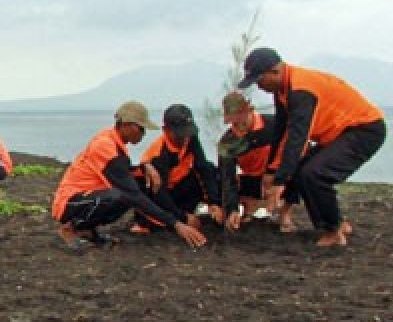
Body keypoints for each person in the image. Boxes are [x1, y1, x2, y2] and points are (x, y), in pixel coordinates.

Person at [239, 47, 387, 246]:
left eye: (259, 80)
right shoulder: (283, 89)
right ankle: (337, 223)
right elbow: (281, 132)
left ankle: (333, 232)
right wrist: (271, 171)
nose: (258, 86)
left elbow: (297, 139)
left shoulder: (301, 91)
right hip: (339, 133)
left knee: (315, 173)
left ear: (275, 71)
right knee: (300, 172)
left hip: (364, 129)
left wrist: (280, 181)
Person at [51, 101, 208, 251]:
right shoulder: (105, 146)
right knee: (119, 196)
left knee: (140, 184)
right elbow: (131, 191)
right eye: (141, 128)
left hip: (89, 197)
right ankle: (70, 229)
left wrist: (145, 167)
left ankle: (87, 230)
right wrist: (176, 223)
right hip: (70, 203)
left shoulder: (116, 144)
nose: (143, 134)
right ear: (127, 125)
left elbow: (124, 174)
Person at [129, 104, 219, 233]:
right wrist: (183, 218)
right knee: (158, 217)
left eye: (187, 132)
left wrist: (213, 202)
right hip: (157, 194)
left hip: (179, 186)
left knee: (210, 169)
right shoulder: (159, 155)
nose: (185, 138)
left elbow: (202, 166)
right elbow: (160, 193)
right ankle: (147, 222)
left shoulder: (190, 137)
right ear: (166, 130)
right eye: (180, 134)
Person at [216, 91, 279, 231]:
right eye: (234, 122)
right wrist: (232, 209)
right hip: (252, 179)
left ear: (251, 111)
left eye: (242, 120)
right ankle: (245, 211)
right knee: (220, 178)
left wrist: (276, 176)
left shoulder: (274, 124)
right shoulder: (227, 142)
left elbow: (293, 151)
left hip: (278, 176)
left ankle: (285, 212)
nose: (239, 125)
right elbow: (228, 178)